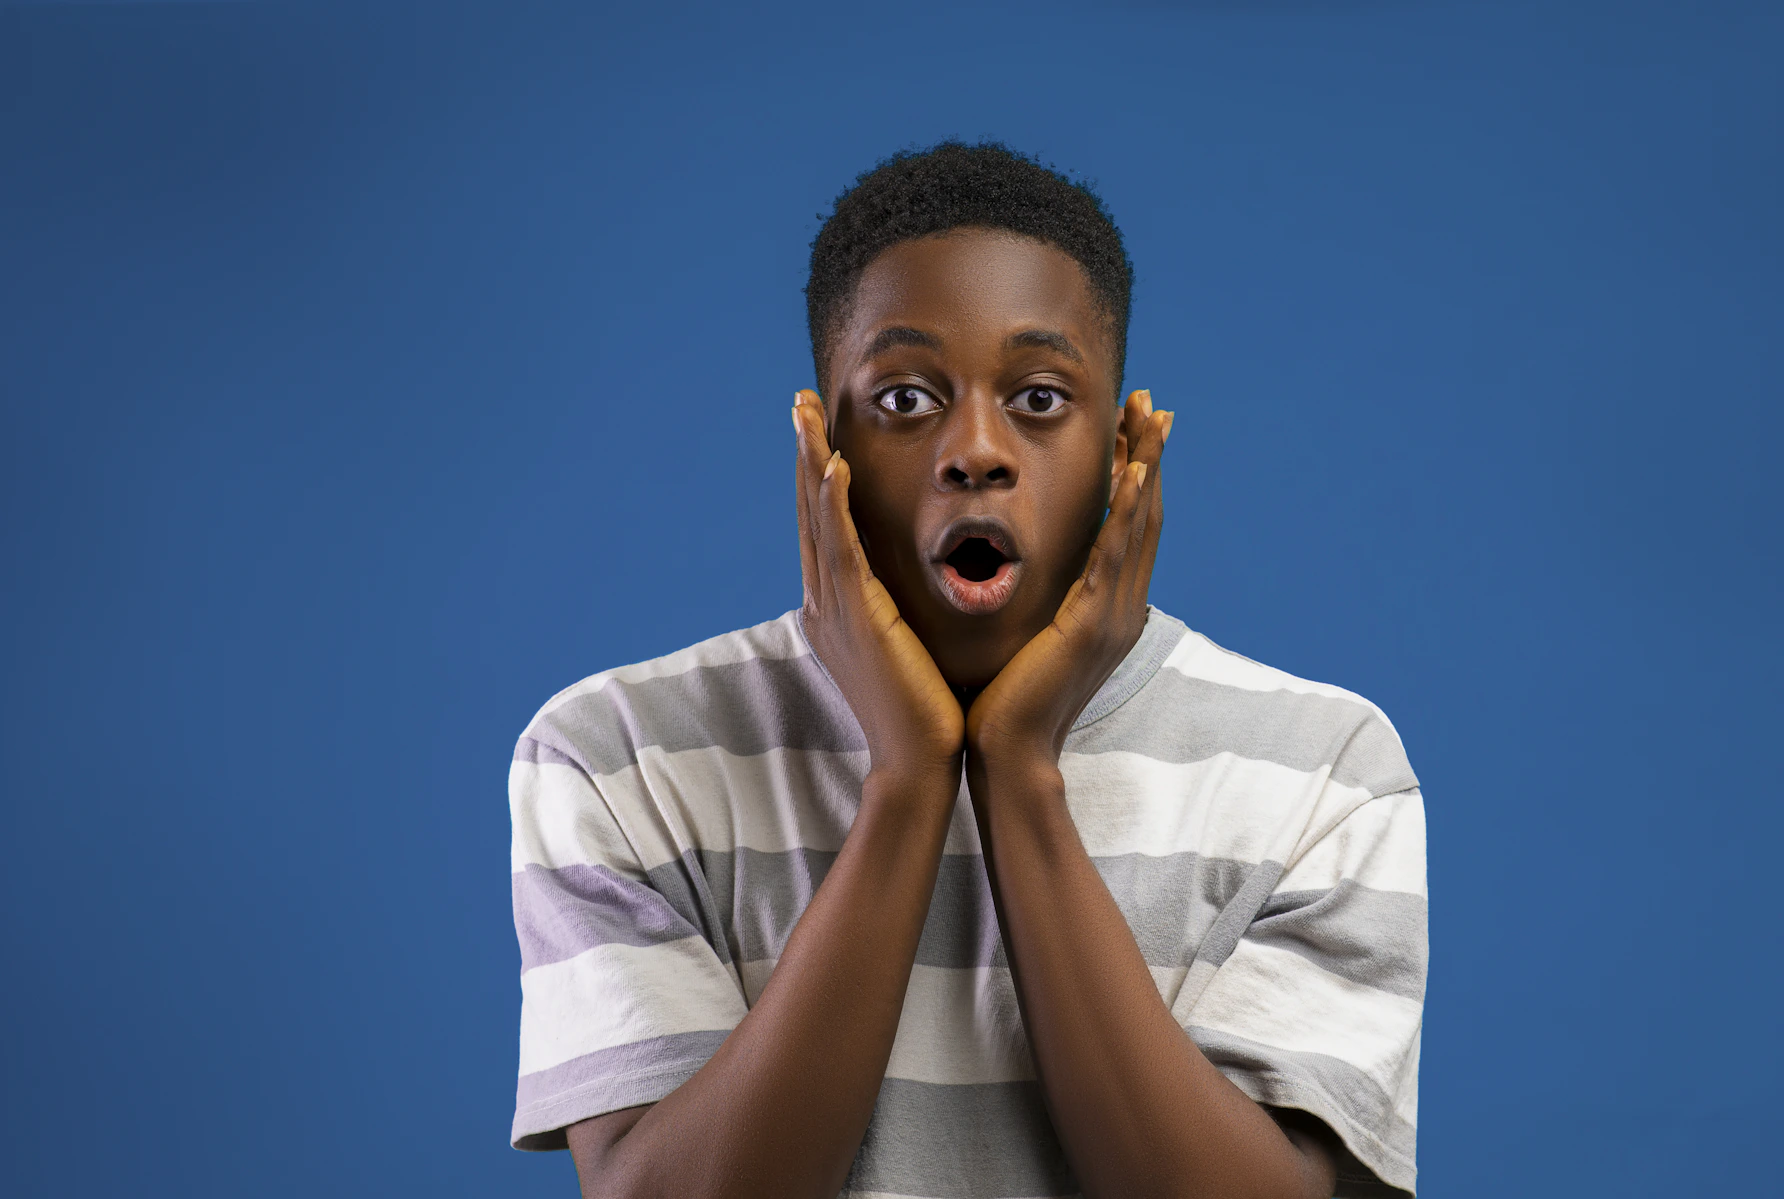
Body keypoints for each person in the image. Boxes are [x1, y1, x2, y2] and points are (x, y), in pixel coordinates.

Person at [508, 142, 1426, 1199]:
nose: (976, 449)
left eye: (1039, 397)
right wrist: (907, 779)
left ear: (1125, 449)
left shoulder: (1326, 768)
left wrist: (1020, 775)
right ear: (822, 443)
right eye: (903, 400)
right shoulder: (617, 754)